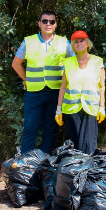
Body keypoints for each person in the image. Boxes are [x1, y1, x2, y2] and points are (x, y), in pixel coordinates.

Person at [11, 10, 75, 154]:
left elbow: (74, 64)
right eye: (45, 21)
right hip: (34, 93)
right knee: (30, 126)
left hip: (55, 93)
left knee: (51, 128)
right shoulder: (29, 41)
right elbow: (16, 64)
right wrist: (27, 80)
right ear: (39, 24)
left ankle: (45, 161)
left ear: (55, 25)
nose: (48, 24)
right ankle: (26, 161)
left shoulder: (64, 42)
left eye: (51, 21)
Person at [55, 31, 105, 154]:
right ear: (72, 46)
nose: (79, 44)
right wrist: (58, 109)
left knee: (89, 144)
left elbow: (101, 86)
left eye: (81, 41)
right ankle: (75, 171)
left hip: (90, 109)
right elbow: (63, 87)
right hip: (71, 109)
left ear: (88, 44)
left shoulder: (98, 62)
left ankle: (88, 171)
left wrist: (102, 107)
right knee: (74, 144)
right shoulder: (68, 63)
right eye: (75, 42)